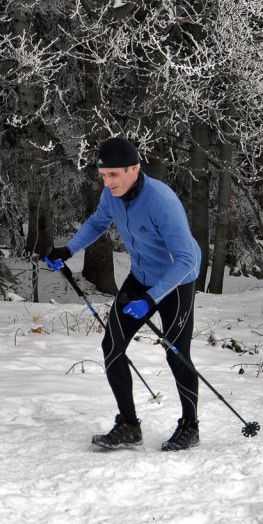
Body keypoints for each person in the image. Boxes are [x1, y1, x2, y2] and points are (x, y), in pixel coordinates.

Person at [43, 137, 202, 451]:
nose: (107, 181)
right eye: (103, 175)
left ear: (134, 169)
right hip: (140, 278)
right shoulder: (111, 195)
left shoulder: (162, 201)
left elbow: (188, 260)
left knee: (176, 353)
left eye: (114, 175)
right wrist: (69, 249)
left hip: (175, 282)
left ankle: (190, 425)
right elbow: (99, 222)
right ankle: (129, 425)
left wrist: (152, 298)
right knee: (111, 346)